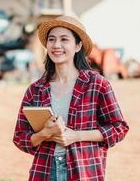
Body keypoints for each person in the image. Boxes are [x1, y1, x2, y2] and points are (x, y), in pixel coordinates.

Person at [13, 16, 129, 181]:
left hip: (84, 170)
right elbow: (19, 137)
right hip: (45, 171)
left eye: (64, 39)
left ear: (78, 45)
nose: (56, 45)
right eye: (51, 40)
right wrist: (44, 134)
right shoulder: (35, 90)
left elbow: (119, 128)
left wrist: (77, 136)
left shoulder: (97, 85)